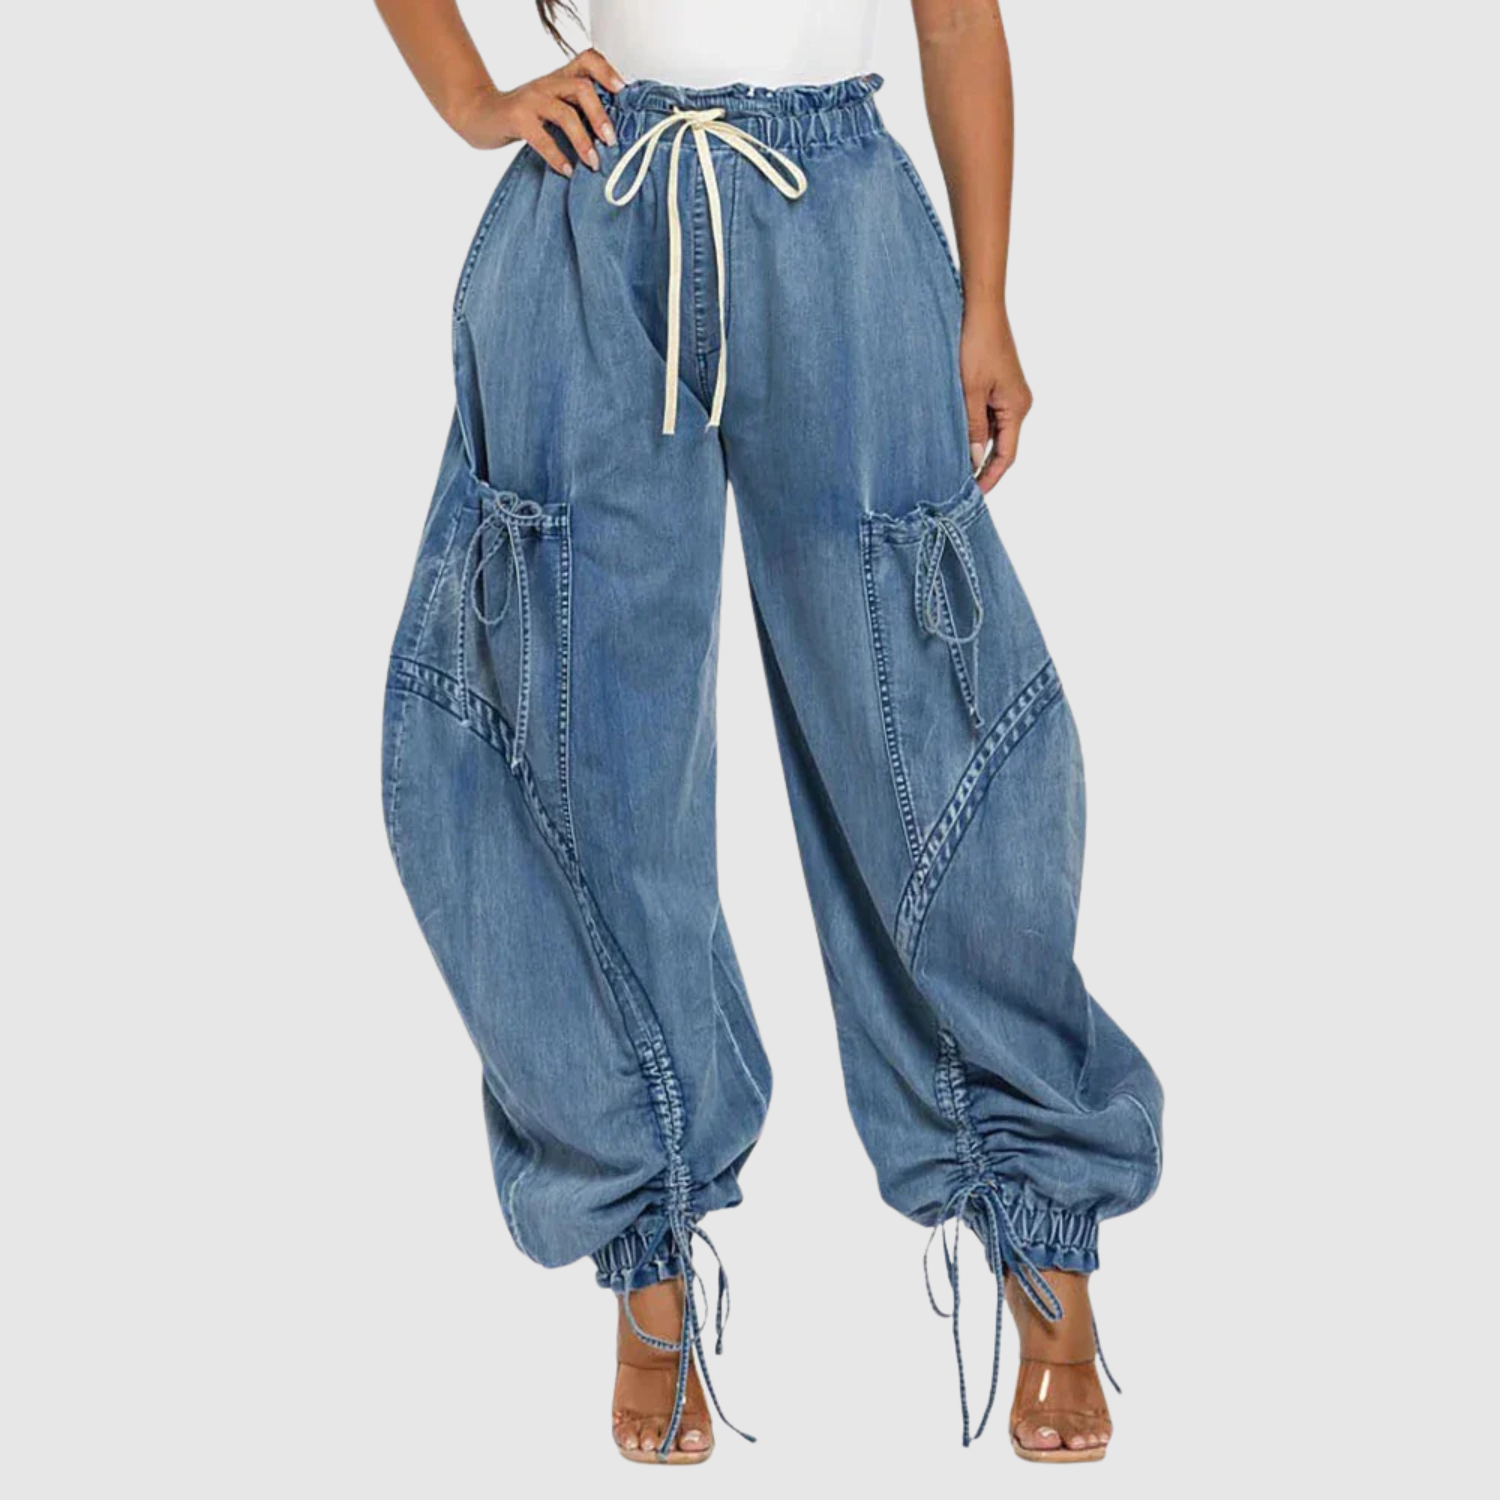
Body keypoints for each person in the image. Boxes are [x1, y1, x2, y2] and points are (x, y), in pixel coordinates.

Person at [374, 0, 1162, 1466]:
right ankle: (647, 1242)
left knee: (924, 714)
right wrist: (476, 99)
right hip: (594, 208)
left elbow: (956, 20)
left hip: (843, 219)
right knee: (577, 735)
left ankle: (1041, 1220)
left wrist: (988, 299)